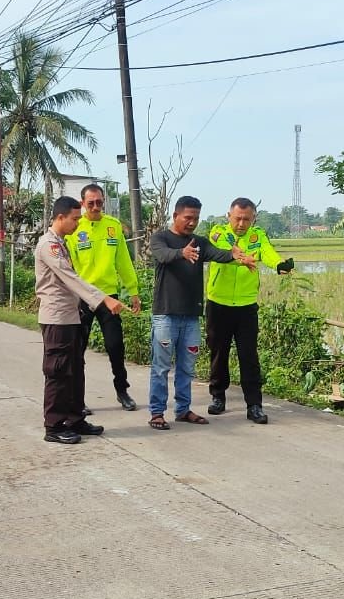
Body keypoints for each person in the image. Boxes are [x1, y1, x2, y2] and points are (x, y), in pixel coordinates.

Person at [147, 196, 252, 430]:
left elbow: (217, 254)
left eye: (196, 218)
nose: (192, 223)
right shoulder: (161, 238)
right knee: (161, 367)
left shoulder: (199, 242)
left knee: (187, 367)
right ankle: (157, 413)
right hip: (166, 315)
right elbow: (162, 255)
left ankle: (183, 410)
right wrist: (181, 253)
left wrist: (234, 255)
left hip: (191, 317)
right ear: (175, 216)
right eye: (188, 218)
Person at [35, 196, 125, 445]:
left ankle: (75, 419)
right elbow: (71, 279)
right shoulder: (49, 246)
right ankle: (53, 425)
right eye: (75, 219)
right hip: (57, 319)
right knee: (58, 372)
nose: (77, 223)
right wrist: (105, 299)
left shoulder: (61, 243)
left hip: (71, 316)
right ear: (60, 217)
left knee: (75, 369)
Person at [206, 198, 296, 424]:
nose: (241, 224)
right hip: (219, 303)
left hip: (246, 306)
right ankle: (218, 396)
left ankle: (254, 405)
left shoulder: (257, 235)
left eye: (246, 219)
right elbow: (223, 251)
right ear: (229, 216)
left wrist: (279, 265)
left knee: (249, 355)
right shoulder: (218, 232)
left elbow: (267, 253)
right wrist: (240, 259)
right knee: (219, 352)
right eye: (237, 218)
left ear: (253, 218)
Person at [65, 183, 141, 411]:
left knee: (115, 345)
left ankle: (122, 391)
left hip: (109, 296)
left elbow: (123, 261)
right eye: (91, 203)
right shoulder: (75, 228)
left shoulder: (113, 226)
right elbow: (66, 266)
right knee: (78, 349)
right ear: (82, 204)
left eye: (99, 202)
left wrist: (133, 290)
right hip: (83, 296)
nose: (96, 207)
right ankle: (76, 399)